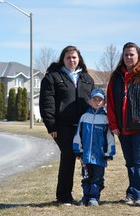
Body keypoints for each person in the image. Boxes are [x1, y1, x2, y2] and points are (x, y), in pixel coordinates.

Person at [107, 42, 140, 208]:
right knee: (129, 162)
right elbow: (110, 103)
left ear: (138, 56)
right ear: (122, 57)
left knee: (139, 162)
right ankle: (131, 193)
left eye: (132, 54)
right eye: (126, 54)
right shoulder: (116, 78)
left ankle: (139, 195)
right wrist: (114, 124)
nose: (129, 57)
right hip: (123, 129)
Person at [39, 45, 94, 206]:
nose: (72, 60)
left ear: (79, 59)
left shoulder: (87, 78)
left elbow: (95, 101)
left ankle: (90, 195)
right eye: (68, 57)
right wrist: (51, 126)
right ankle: (64, 196)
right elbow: (46, 104)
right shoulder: (53, 77)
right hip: (63, 126)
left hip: (85, 126)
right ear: (63, 59)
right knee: (69, 156)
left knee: (87, 159)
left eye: (74, 57)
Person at [73, 88, 116, 206]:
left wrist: (109, 153)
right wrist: (78, 150)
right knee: (86, 177)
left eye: (100, 100)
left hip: (99, 155)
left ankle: (94, 197)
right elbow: (78, 135)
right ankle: (85, 197)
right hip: (85, 155)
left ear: (104, 102)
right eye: (94, 99)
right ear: (90, 101)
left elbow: (110, 137)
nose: (97, 102)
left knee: (97, 177)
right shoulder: (84, 117)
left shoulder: (106, 119)